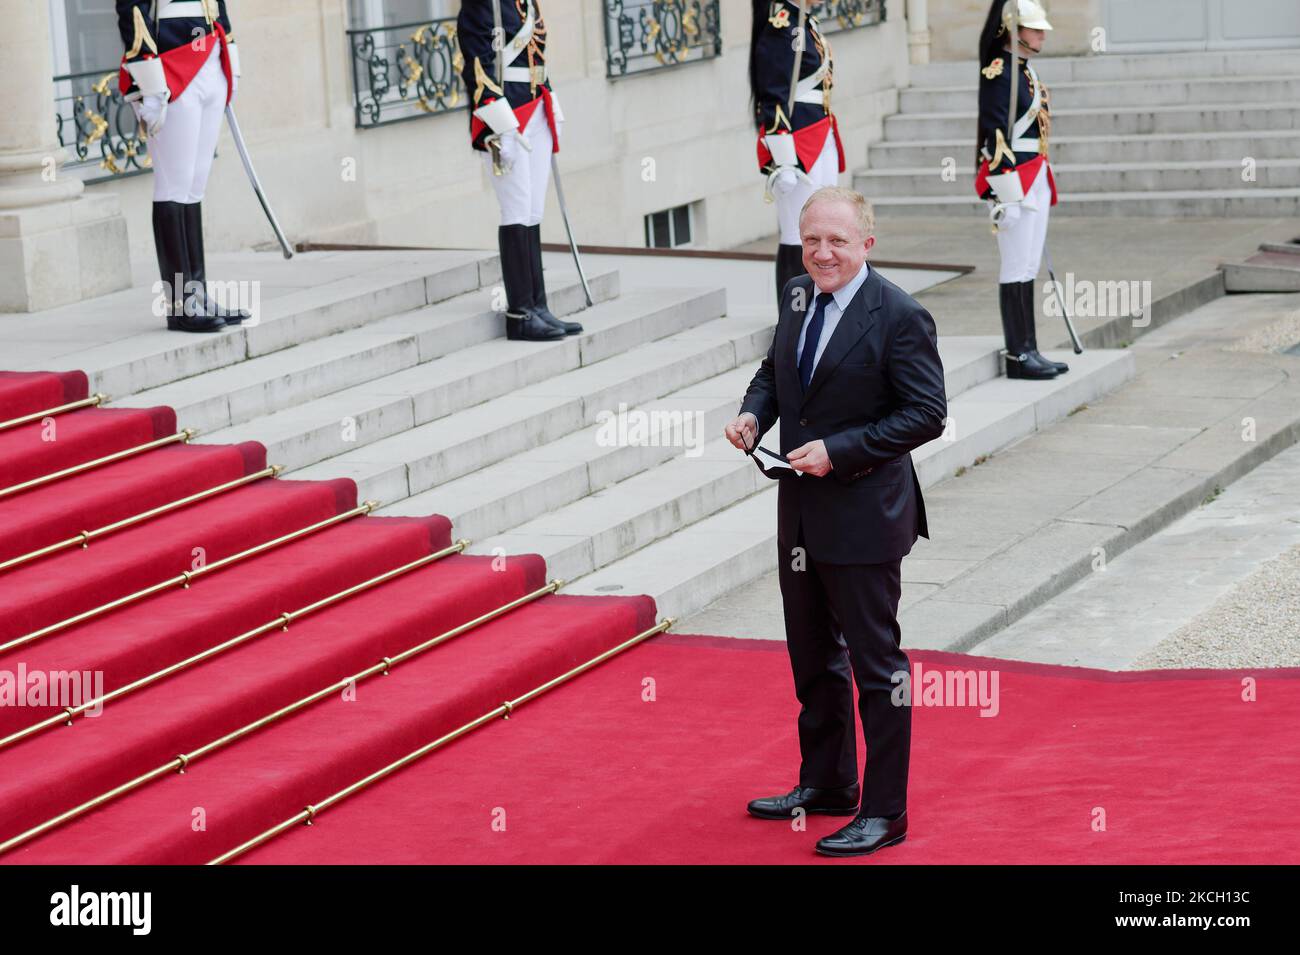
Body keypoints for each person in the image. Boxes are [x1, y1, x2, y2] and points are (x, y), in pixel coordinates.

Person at [725, 187, 947, 857]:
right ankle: (826, 783)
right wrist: (752, 414)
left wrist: (840, 450)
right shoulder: (797, 293)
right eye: (812, 239)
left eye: (837, 242)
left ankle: (885, 811)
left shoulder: (900, 316)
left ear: (866, 246)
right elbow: (774, 369)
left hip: (864, 516)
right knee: (813, 656)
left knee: (877, 668)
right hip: (800, 511)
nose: (822, 253)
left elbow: (926, 412)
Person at [116, 0, 249, 332]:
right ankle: (180, 303)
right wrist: (149, 82)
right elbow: (132, 10)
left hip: (211, 58)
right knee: (173, 185)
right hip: (171, 64)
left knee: (194, 186)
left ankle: (198, 293)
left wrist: (228, 54)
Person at [457, 0, 581, 342]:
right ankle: (520, 314)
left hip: (535, 106)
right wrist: (497, 121)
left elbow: (534, 54)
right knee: (516, 208)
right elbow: (476, 62)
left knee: (533, 209)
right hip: (505, 118)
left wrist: (549, 95)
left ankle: (538, 306)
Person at [975, 0, 1067, 379]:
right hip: (1015, 180)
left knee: (1028, 264)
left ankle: (1030, 347)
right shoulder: (1000, 72)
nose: (1041, 34)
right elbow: (994, 135)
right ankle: (1017, 355)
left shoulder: (1025, 71)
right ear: (1014, 30)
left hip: (1035, 176)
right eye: (1034, 28)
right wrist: (1006, 192)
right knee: (1015, 264)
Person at [749, 0, 845, 303]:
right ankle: (791, 322)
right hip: (797, 142)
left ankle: (820, 307)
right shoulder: (782, 24)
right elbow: (772, 95)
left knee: (827, 227)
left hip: (820, 131)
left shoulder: (805, 22)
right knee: (797, 234)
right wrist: (784, 158)